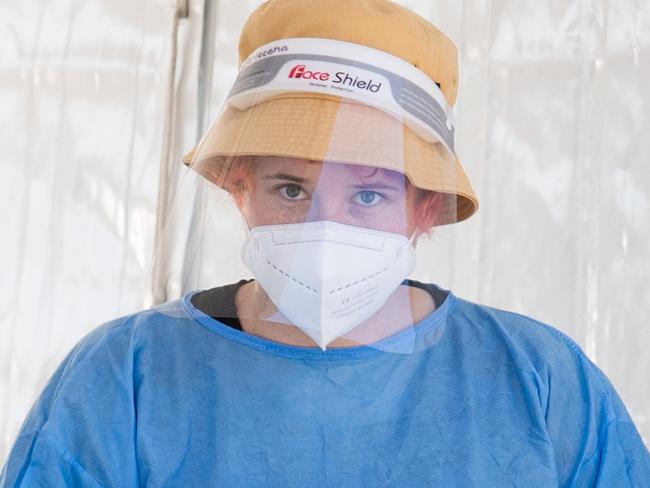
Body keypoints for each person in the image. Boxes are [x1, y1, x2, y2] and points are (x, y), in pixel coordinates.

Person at [2, 0, 649, 486]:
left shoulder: (538, 383)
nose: (324, 226)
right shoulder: (126, 379)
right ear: (239, 185)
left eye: (367, 195)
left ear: (425, 208)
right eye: (291, 189)